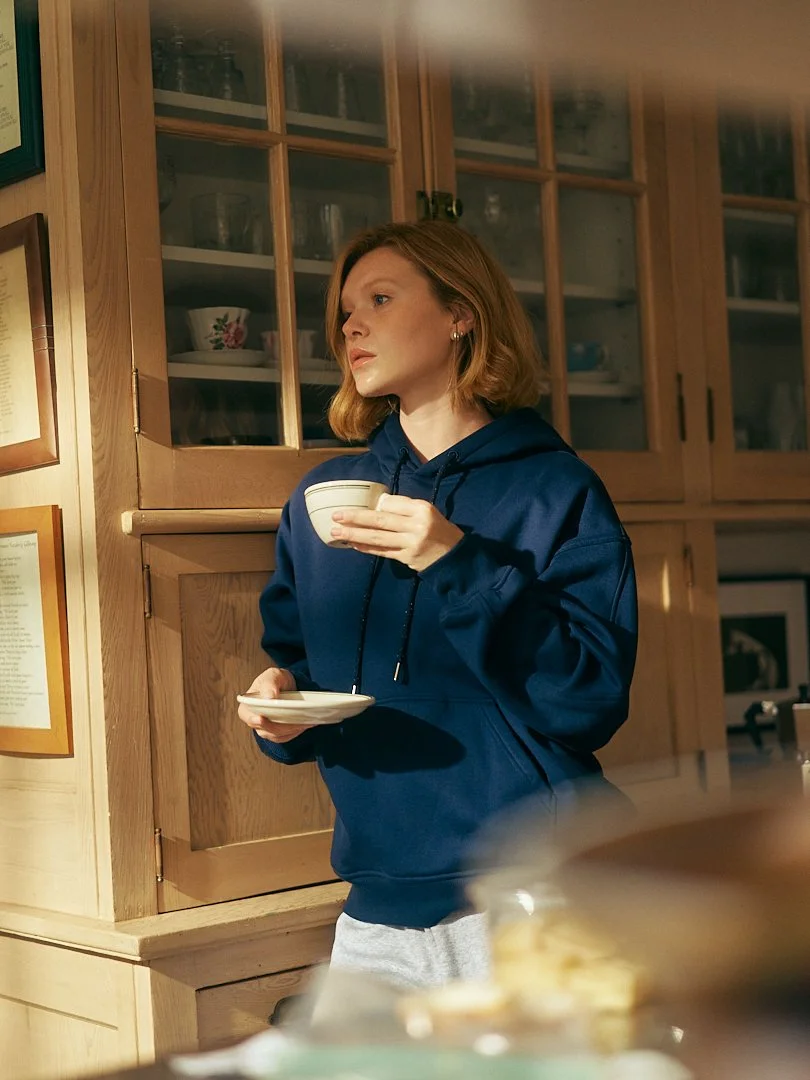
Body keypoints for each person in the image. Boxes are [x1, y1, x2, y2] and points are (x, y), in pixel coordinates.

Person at [237, 219, 638, 1001]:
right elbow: (300, 666)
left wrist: (457, 562)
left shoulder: (554, 491)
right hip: (376, 902)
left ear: (461, 314)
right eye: (346, 311)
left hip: (535, 889)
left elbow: (587, 700)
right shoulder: (321, 500)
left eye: (380, 298)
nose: (351, 324)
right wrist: (279, 710)